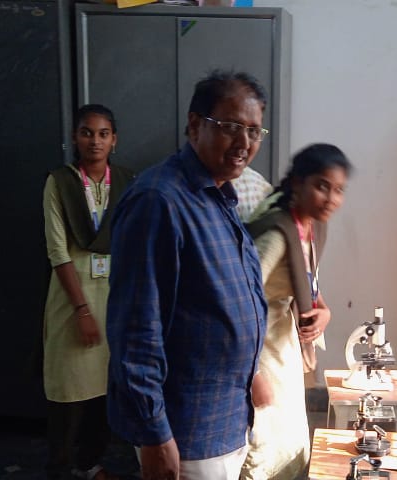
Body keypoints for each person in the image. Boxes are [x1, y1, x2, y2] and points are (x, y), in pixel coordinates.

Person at [106, 70, 269, 480]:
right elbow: (136, 329)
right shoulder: (159, 200)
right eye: (231, 126)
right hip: (187, 431)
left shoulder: (219, 194)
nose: (245, 143)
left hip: (227, 417)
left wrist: (252, 370)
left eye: (254, 131)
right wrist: (154, 434)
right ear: (195, 125)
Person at [241, 143, 353, 480]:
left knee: (288, 438)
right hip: (255, 348)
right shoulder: (277, 234)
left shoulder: (310, 224)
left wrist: (324, 310)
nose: (331, 199)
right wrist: (252, 377)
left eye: (339, 190)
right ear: (297, 183)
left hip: (281, 341)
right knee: (262, 443)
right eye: (322, 186)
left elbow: (306, 279)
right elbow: (237, 302)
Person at [42, 104, 135, 480]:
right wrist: (81, 310)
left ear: (114, 140)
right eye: (87, 132)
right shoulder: (59, 182)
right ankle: (60, 465)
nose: (95, 141)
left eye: (103, 134)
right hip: (71, 299)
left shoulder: (128, 181)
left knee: (103, 389)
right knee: (68, 389)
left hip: (113, 297)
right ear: (74, 137)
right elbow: (57, 251)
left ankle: (89, 463)